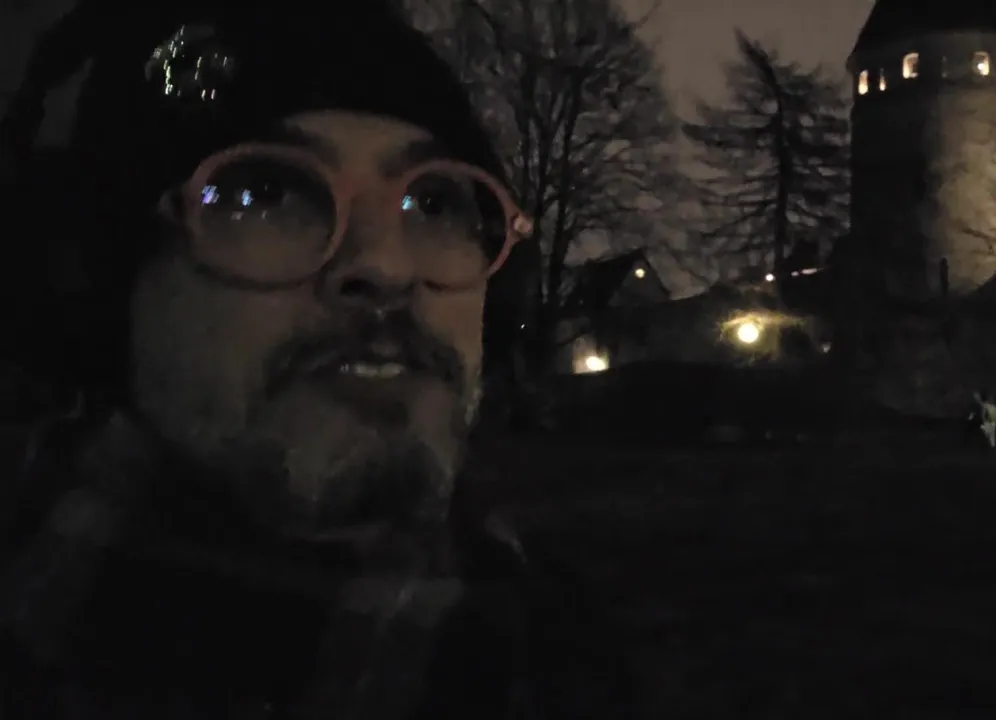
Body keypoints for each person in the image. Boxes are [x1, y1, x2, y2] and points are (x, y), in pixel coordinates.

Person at [0, 1, 626, 717]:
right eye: (263, 192)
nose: (385, 267)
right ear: (96, 284)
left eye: (435, 203)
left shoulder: (563, 657)